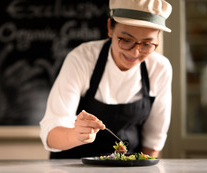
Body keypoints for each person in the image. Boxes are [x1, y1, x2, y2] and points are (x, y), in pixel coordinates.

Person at [40, 0, 172, 159]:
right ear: (110, 28)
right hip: (72, 166)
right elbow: (51, 135)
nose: (135, 52)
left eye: (147, 44)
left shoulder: (159, 68)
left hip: (127, 168)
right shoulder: (82, 59)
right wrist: (77, 135)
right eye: (126, 40)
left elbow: (153, 141)